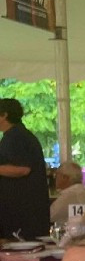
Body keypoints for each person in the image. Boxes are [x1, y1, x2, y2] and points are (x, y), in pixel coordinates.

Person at [0, 97, 50, 239]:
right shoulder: (14, 136)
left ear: (4, 115)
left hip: (23, 212)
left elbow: (22, 169)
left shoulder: (17, 137)